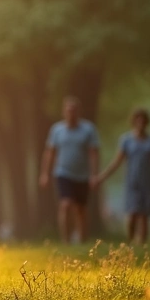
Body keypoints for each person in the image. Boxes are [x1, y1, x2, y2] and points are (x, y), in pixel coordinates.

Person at [92, 108, 150, 244]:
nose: (140, 123)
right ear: (134, 122)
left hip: (146, 181)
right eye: (138, 120)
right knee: (133, 212)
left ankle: (142, 244)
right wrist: (101, 177)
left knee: (144, 214)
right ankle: (129, 242)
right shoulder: (126, 140)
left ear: (146, 123)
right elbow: (116, 163)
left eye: (143, 121)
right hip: (132, 181)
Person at [39, 96, 100, 244]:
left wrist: (94, 175)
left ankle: (82, 240)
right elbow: (50, 153)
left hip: (83, 175)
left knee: (81, 209)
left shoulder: (88, 129)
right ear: (63, 112)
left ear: (79, 112)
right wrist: (45, 173)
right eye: (68, 110)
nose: (71, 113)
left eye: (74, 110)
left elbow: (93, 153)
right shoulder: (57, 130)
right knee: (65, 205)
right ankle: (65, 241)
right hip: (62, 173)